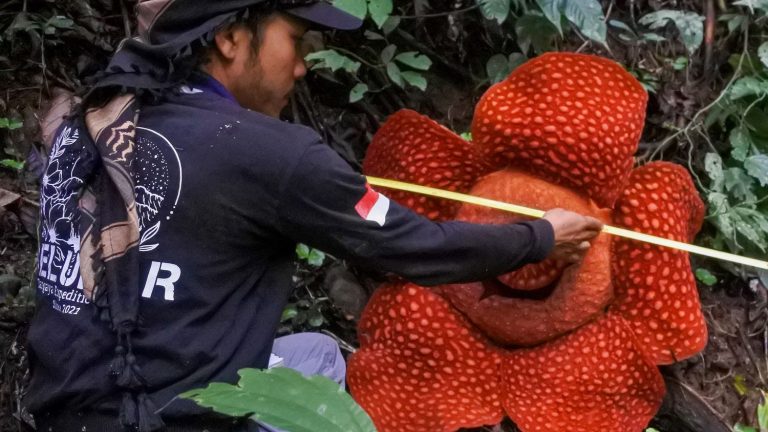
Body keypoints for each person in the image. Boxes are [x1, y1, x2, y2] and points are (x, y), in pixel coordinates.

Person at [24, 1, 603, 431]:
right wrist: (539, 238)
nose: (303, 66)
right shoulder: (271, 153)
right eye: (295, 40)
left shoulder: (91, 124)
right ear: (230, 37)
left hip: (59, 405)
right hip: (174, 419)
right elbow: (418, 246)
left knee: (318, 355)